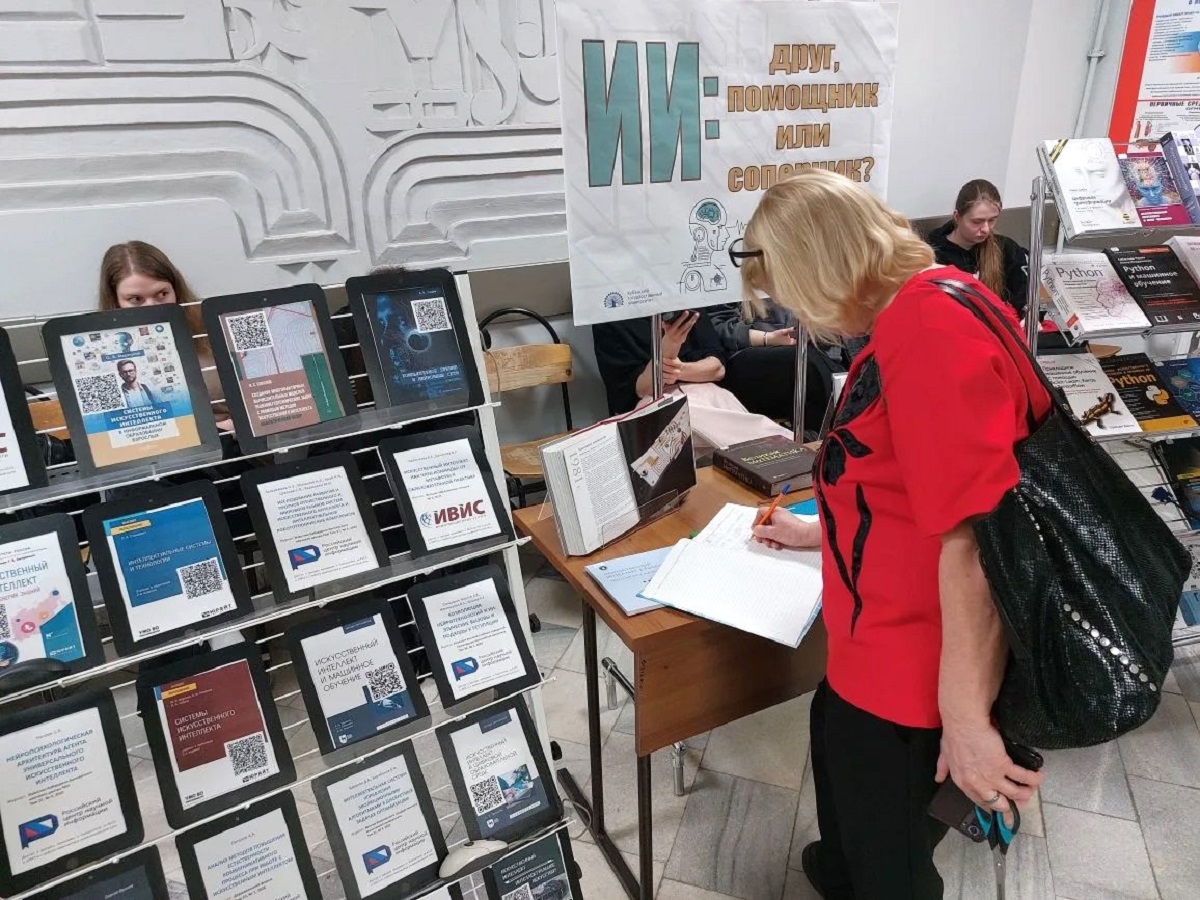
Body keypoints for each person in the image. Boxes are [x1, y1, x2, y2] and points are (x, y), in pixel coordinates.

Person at [738, 170, 1049, 899]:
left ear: (824, 269)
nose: (803, 317)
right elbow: (904, 483)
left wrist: (966, 725)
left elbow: (976, 544)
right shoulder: (937, 298)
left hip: (914, 681)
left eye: (795, 294)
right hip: (871, 653)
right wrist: (817, 534)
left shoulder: (929, 333)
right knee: (844, 803)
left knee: (891, 868)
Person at [591, 312, 795, 450]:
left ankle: (780, 447)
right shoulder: (611, 317)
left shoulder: (688, 307)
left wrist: (677, 369)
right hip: (656, 403)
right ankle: (783, 444)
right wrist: (669, 346)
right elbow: (639, 388)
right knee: (685, 414)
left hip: (708, 391)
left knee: (721, 406)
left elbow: (717, 368)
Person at [98, 241, 231, 430]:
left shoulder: (211, 327)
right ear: (115, 301)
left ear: (176, 290)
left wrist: (238, 425)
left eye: (162, 294)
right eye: (136, 299)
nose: (152, 307)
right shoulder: (101, 350)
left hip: (231, 441)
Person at [707, 299, 847, 426]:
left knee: (832, 372)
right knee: (804, 365)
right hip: (745, 356)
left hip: (818, 354)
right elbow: (717, 327)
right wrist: (767, 338)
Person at [926, 179, 1029, 319]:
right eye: (977, 222)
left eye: (992, 220)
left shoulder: (1007, 250)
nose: (986, 229)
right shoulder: (932, 254)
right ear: (957, 217)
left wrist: (1024, 318)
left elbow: (1025, 301)